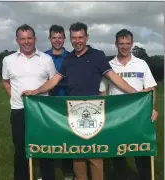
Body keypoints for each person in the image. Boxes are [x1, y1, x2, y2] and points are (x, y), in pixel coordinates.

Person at [22, 22, 150, 180]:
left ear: (87, 37)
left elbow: (114, 78)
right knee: (78, 154)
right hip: (74, 112)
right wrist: (34, 92)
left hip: (95, 112)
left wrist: (137, 94)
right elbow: (54, 80)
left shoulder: (98, 55)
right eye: (74, 38)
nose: (77, 41)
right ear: (70, 39)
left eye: (80, 37)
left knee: (95, 155)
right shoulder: (68, 59)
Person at [99, 29, 158, 180]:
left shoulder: (141, 64)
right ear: (116, 44)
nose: (124, 47)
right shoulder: (109, 65)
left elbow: (151, 89)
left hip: (139, 116)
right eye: (121, 44)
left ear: (132, 43)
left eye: (127, 43)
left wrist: (152, 108)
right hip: (117, 118)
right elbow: (102, 91)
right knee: (118, 155)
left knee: (142, 154)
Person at [2, 24, 56, 180]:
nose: (26, 42)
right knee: (20, 149)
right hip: (19, 110)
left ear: (35, 39)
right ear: (17, 40)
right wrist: (15, 97)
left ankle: (47, 177)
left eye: (29, 38)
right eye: (23, 39)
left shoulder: (47, 59)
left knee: (45, 147)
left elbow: (52, 83)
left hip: (42, 110)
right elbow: (6, 82)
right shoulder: (8, 60)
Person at [45, 25, 74, 180]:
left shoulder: (71, 57)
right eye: (54, 37)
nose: (57, 40)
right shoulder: (43, 57)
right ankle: (47, 170)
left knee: (67, 136)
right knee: (48, 136)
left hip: (66, 103)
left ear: (64, 38)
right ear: (50, 39)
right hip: (47, 105)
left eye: (60, 37)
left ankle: (68, 169)